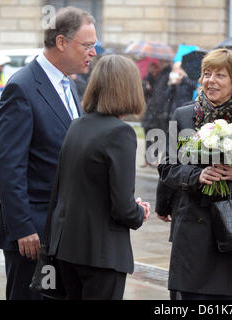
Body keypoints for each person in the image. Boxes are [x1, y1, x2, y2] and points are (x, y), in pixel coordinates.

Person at [0, 6, 97, 300]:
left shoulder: (68, 85)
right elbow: (10, 165)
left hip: (62, 230)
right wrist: (23, 228)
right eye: (87, 45)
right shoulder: (22, 87)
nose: (93, 52)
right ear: (62, 42)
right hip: (32, 234)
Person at [157, 48, 232, 300]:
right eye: (207, 74)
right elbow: (167, 167)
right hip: (194, 229)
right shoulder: (184, 116)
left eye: (220, 75)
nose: (210, 80)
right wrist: (196, 176)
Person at [47, 55, 150, 300]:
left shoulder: (77, 126)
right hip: (102, 254)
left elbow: (67, 188)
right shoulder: (121, 133)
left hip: (68, 249)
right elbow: (123, 208)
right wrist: (139, 212)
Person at [141, 59, 172, 167]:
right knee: (148, 134)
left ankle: (155, 158)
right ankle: (148, 159)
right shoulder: (155, 76)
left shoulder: (169, 74)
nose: (159, 63)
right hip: (151, 109)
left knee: (158, 135)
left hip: (160, 110)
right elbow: (149, 91)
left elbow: (166, 93)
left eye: (161, 62)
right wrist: (150, 75)